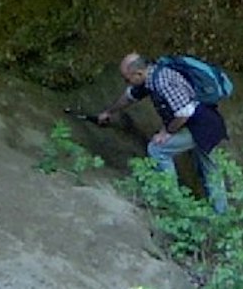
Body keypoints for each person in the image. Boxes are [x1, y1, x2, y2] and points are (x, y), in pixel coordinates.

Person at [97, 51, 228, 213]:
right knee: (210, 168)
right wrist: (109, 112)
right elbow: (129, 96)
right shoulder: (151, 76)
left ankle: (173, 203)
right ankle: (221, 214)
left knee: (158, 149)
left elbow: (184, 112)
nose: (127, 83)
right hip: (209, 122)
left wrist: (167, 132)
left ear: (138, 73)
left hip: (201, 125)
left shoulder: (162, 81)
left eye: (127, 79)